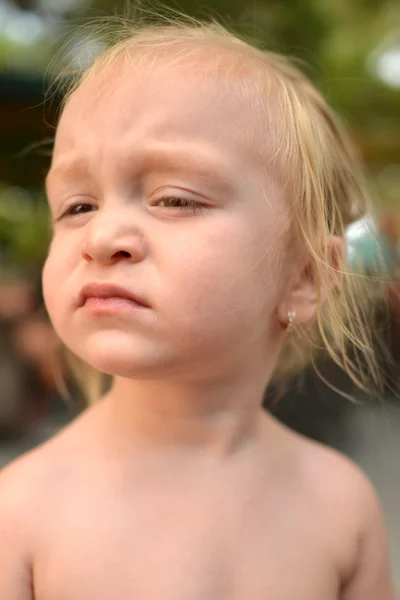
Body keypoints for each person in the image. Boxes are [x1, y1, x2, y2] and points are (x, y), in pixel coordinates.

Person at [0, 13, 396, 600]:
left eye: (174, 198)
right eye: (78, 206)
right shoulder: (22, 513)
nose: (102, 236)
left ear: (305, 277)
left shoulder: (342, 507)